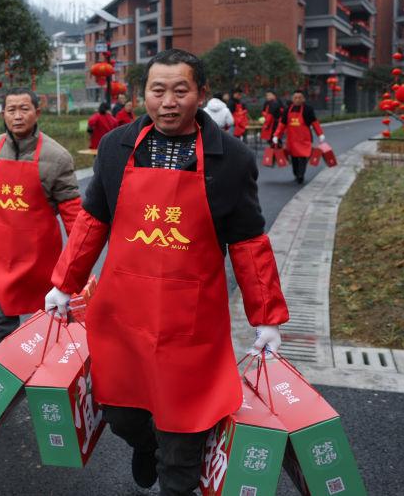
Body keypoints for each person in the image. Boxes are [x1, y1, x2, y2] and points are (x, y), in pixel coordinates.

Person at [44, 49, 289, 496]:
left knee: (183, 432)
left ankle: (175, 474)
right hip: (123, 314)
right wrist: (64, 283)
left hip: (190, 321)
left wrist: (266, 317)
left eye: (180, 90)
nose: (168, 102)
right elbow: (93, 220)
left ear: (201, 94)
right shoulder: (116, 147)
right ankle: (144, 444)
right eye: (158, 91)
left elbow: (248, 243)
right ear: (144, 94)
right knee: (122, 412)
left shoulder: (231, 159)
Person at [0, 88, 82, 350]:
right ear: (3, 114)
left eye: (24, 109)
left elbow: (72, 212)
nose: (17, 116)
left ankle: (45, 372)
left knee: (49, 322)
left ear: (37, 112)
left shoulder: (57, 156)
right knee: (0, 324)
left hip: (40, 257)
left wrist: (80, 257)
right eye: (11, 110)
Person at [272, 89, 325, 185]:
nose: (297, 100)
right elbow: (282, 124)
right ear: (292, 99)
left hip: (304, 139)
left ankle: (301, 175)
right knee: (294, 158)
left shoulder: (308, 109)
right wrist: (276, 135)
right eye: (295, 98)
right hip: (292, 139)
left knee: (303, 157)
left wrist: (320, 134)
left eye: (299, 98)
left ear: (303, 99)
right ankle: (296, 174)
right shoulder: (288, 109)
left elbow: (314, 122)